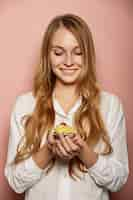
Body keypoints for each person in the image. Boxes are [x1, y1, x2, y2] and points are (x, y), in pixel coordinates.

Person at [4, 13, 129, 200]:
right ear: (47, 55)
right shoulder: (25, 105)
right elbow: (15, 181)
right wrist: (48, 151)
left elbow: (119, 179)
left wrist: (84, 152)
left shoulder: (111, 106)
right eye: (58, 52)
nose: (69, 61)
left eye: (78, 52)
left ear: (88, 55)